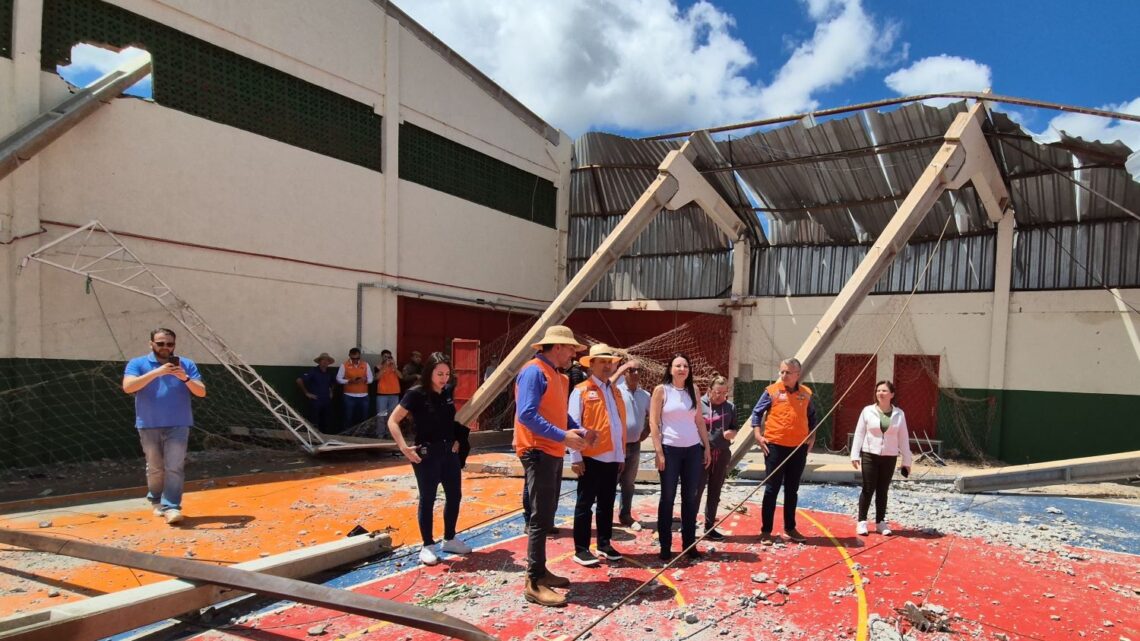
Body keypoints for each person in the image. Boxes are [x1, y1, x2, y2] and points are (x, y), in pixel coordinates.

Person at [514, 325, 590, 607]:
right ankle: (533, 582)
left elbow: (559, 414)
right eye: (571, 348)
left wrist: (578, 430)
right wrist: (563, 436)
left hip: (551, 450)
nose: (573, 354)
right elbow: (526, 414)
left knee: (546, 516)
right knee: (540, 519)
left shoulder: (556, 375)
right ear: (557, 347)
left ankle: (540, 571)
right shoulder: (534, 372)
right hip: (538, 450)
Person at [387, 352, 472, 565]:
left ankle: (450, 538)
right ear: (429, 372)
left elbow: (448, 421)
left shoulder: (447, 392)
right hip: (426, 454)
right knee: (428, 498)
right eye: (439, 374)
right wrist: (404, 447)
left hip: (449, 453)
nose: (444, 378)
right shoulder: (416, 394)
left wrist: (457, 439)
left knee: (454, 495)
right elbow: (393, 421)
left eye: (447, 374)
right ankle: (427, 545)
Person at [122, 328, 206, 525]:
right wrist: (157, 372)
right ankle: (156, 499)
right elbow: (128, 387)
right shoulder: (137, 363)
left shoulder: (186, 364)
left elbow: (201, 392)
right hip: (148, 423)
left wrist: (184, 378)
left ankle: (172, 507)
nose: (165, 347)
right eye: (160, 343)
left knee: (174, 466)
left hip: (179, 423)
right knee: (155, 467)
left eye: (170, 344)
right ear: (151, 343)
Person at [568, 344, 626, 567]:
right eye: (602, 362)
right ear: (591, 364)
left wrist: (620, 455)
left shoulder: (615, 391)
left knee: (606, 503)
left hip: (612, 457)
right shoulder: (581, 390)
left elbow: (618, 424)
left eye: (609, 362)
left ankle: (604, 543)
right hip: (590, 456)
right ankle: (581, 549)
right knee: (584, 504)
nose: (607, 366)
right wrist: (575, 457)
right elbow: (573, 424)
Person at [650, 353, 711, 561]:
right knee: (667, 498)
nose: (682, 369)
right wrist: (658, 452)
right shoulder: (661, 390)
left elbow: (699, 421)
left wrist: (706, 447)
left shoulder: (694, 390)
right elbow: (653, 422)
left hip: (693, 450)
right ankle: (665, 545)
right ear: (670, 369)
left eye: (685, 365)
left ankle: (689, 544)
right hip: (670, 450)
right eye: (678, 366)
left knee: (690, 499)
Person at [749, 358, 818, 545]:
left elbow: (813, 416)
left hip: (798, 448)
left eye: (788, 372)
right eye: (782, 371)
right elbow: (756, 412)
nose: (784, 375)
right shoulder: (771, 391)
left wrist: (812, 436)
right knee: (771, 489)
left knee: (792, 489)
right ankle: (766, 531)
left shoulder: (806, 393)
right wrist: (758, 435)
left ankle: (790, 527)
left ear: (797, 374)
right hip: (774, 446)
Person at [850, 380, 912, 537]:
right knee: (868, 488)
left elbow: (903, 438)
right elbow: (859, 433)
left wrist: (906, 461)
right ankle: (862, 521)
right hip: (869, 455)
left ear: (892, 394)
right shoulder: (867, 411)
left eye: (884, 391)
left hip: (889, 456)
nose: (880, 393)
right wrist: (855, 454)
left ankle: (880, 522)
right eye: (878, 390)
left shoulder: (899, 414)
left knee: (883, 490)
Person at [697, 375, 737, 541]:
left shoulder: (730, 407)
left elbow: (734, 427)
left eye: (723, 393)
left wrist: (732, 433)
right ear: (709, 390)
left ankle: (709, 527)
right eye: (717, 392)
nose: (720, 396)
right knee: (696, 491)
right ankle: (689, 525)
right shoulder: (699, 404)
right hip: (700, 453)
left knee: (715, 491)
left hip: (721, 454)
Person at [612, 358, 651, 527]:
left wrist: (647, 431)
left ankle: (625, 514)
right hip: (616, 446)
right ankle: (605, 516)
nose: (635, 373)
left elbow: (654, 416)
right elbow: (605, 386)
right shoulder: (615, 391)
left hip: (635, 446)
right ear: (624, 373)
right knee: (610, 482)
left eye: (638, 370)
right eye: (631, 370)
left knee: (628, 483)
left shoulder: (645, 396)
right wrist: (621, 369)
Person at [296, 352, 335, 432]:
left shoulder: (329, 372)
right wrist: (306, 393)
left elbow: (332, 382)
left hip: (326, 401)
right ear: (319, 361)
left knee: (326, 422)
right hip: (316, 401)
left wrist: (331, 391)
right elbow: (299, 380)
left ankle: (325, 437)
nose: (325, 362)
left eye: (327, 360)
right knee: (315, 422)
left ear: (329, 362)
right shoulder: (313, 371)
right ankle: (315, 437)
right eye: (323, 360)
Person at [336, 348, 372, 432]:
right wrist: (349, 381)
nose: (355, 360)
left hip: (363, 395)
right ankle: (347, 433)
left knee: (364, 417)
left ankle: (362, 434)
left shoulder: (365, 364)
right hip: (349, 395)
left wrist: (365, 380)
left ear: (360, 356)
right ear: (349, 356)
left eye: (357, 358)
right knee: (348, 417)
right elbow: (338, 379)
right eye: (353, 358)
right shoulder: (344, 365)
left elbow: (371, 379)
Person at [374, 349, 401, 438]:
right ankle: (380, 434)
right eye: (385, 357)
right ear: (382, 357)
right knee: (381, 415)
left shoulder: (395, 366)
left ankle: (390, 434)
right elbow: (377, 377)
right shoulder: (378, 366)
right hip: (382, 394)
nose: (387, 358)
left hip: (394, 393)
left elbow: (401, 376)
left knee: (392, 415)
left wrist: (394, 368)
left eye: (389, 357)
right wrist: (385, 366)